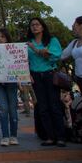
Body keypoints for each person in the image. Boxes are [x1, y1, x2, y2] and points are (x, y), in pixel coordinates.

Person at [27, 17, 65, 147]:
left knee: (54, 105)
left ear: (43, 26)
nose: (34, 27)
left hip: (49, 74)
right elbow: (23, 61)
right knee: (42, 107)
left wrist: (37, 50)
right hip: (36, 76)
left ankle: (60, 136)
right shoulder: (28, 43)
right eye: (32, 25)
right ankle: (49, 136)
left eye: (37, 24)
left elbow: (55, 56)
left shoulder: (51, 41)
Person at [0, 28, 19, 146]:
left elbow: (19, 64)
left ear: (7, 38)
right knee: (3, 109)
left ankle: (13, 135)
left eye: (2, 37)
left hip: (11, 82)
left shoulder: (15, 50)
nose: (0, 39)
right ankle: (5, 136)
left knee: (12, 109)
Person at [62, 16, 82, 94]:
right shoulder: (74, 43)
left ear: (81, 26)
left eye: (74, 25)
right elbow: (61, 56)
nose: (72, 28)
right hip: (80, 80)